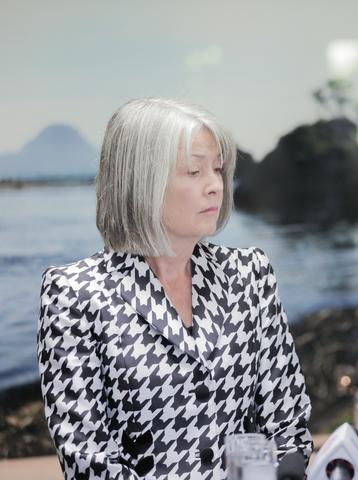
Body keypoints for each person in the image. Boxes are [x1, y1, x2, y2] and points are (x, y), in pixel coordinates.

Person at [37, 98, 312, 479]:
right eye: (194, 171)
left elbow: (287, 425)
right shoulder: (75, 294)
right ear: (141, 180)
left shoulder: (250, 273)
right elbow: (88, 460)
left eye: (217, 169)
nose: (215, 186)